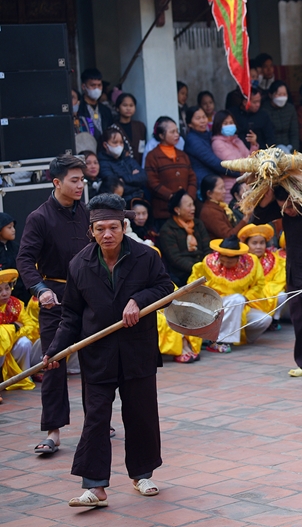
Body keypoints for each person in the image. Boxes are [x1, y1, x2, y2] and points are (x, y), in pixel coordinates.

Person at [42, 193, 173, 507]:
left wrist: (139, 301)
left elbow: (166, 289)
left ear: (124, 226)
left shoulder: (146, 257)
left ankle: (142, 475)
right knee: (96, 418)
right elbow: (71, 313)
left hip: (137, 350)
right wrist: (56, 350)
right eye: (100, 229)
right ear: (91, 230)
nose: (107, 234)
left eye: (113, 227)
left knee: (140, 414)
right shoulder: (79, 264)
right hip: (97, 353)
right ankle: (95, 486)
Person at [17, 155, 91, 455]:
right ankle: (53, 431)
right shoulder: (40, 217)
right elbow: (24, 259)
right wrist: (40, 289)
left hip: (88, 297)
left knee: (95, 362)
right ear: (56, 182)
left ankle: (97, 420)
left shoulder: (87, 212)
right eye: (74, 180)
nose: (80, 185)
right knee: (53, 362)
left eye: (82, 180)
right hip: (55, 298)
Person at [254, 187, 302, 383]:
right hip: (295, 271)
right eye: (283, 208)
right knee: (298, 318)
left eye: (290, 206)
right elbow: (256, 218)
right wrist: (267, 198)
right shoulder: (283, 209)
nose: (287, 211)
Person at [188, 236, 270, 352]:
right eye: (223, 260)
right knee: (236, 299)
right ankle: (219, 340)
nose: (226, 264)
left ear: (239, 258)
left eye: (230, 262)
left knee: (264, 319)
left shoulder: (252, 262)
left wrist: (246, 297)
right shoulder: (208, 262)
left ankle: (240, 338)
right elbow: (194, 284)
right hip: (213, 306)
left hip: (240, 305)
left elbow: (259, 284)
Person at [145, 116, 197, 222]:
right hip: (164, 211)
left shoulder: (182, 155)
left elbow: (192, 178)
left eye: (177, 131)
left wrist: (188, 197)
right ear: (161, 135)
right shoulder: (152, 156)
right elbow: (152, 183)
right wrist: (173, 197)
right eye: (172, 132)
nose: (177, 135)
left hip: (186, 211)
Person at [157, 190, 210, 286]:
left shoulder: (198, 224)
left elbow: (207, 248)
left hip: (204, 267)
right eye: (189, 206)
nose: (193, 208)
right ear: (177, 210)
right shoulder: (168, 229)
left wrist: (206, 265)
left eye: (193, 205)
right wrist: (197, 268)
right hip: (182, 273)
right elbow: (175, 259)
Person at [238, 224, 286, 323]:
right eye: (254, 243)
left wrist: (264, 292)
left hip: (269, 294)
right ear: (247, 244)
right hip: (249, 297)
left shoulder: (274, 259)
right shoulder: (240, 261)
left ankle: (274, 320)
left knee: (282, 295)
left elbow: (279, 281)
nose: (258, 247)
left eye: (262, 243)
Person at [0, 269, 37, 397]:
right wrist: (12, 328)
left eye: (7, 288)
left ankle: (25, 374)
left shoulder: (16, 304)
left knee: (25, 342)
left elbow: (30, 326)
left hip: (12, 347)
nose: (4, 293)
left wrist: (11, 335)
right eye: (0, 290)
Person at [184, 106, 239, 191]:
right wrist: (240, 172)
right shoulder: (192, 140)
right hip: (205, 184)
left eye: (204, 117)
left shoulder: (209, 135)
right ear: (190, 124)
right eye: (198, 118)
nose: (202, 121)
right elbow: (215, 163)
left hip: (217, 180)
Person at [211, 110, 257, 200]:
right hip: (231, 188)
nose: (229, 125)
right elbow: (235, 165)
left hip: (246, 185)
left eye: (231, 123)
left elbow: (252, 159)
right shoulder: (217, 143)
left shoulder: (237, 140)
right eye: (225, 123)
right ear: (218, 126)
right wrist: (250, 166)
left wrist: (254, 144)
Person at [96, 126, 146, 202]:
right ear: (105, 145)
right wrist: (133, 179)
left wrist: (123, 178)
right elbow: (114, 188)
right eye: (115, 142)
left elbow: (143, 177)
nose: (119, 146)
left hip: (139, 199)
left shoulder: (127, 158)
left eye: (121, 142)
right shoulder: (103, 163)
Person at [199, 175, 243, 240]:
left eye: (224, 188)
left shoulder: (220, 206)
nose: (224, 191)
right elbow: (228, 235)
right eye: (220, 188)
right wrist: (245, 219)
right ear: (209, 193)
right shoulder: (210, 212)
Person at [78, 68, 114, 141]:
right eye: (93, 85)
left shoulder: (106, 110)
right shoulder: (79, 108)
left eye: (99, 85)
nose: (96, 88)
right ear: (83, 86)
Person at [265, 80, 300, 153]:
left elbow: (294, 133)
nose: (282, 97)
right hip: (271, 151)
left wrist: (293, 150)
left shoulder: (290, 109)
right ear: (270, 95)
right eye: (279, 94)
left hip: (289, 149)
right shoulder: (264, 110)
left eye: (284, 94)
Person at [114, 93, 147, 163]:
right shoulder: (113, 128)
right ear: (117, 108)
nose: (128, 108)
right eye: (125, 105)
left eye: (131, 105)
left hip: (140, 165)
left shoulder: (140, 126)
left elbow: (142, 146)